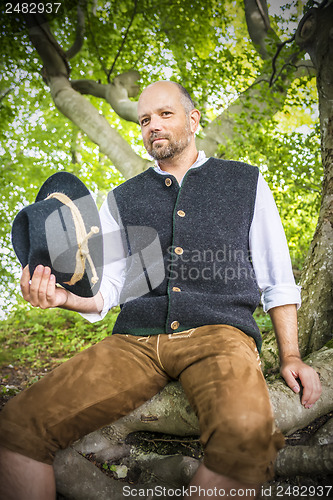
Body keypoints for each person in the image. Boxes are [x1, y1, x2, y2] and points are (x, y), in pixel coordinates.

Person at [0, 81, 322, 500]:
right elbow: (112, 286)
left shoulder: (245, 182)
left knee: (245, 442)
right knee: (19, 425)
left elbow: (277, 280)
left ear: (193, 119)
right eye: (145, 119)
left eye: (164, 114)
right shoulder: (120, 199)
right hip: (134, 341)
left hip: (220, 336)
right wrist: (66, 298)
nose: (153, 125)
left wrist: (292, 355)